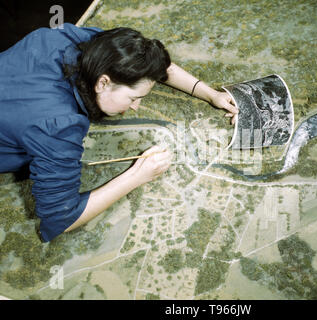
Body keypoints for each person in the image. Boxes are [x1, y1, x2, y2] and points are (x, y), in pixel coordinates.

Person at [0, 23, 238, 242]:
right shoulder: (59, 127)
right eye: (134, 98)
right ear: (103, 83)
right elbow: (62, 219)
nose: (136, 107)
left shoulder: (72, 41)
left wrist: (211, 94)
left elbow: (155, 67)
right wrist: (138, 175)